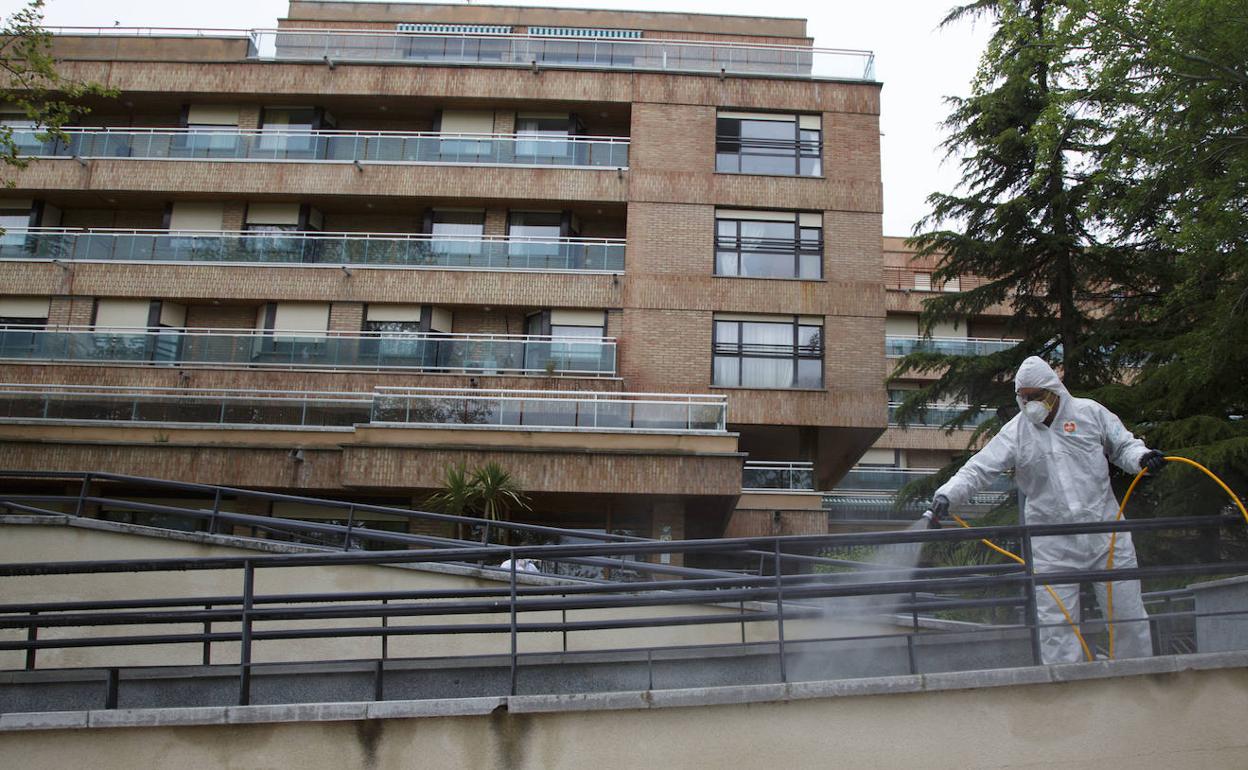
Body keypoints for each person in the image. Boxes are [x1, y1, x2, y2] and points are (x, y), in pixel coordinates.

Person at [928, 356, 1166, 664]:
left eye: (1036, 396)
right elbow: (978, 469)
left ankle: (1136, 678)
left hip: (1105, 532)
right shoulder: (1016, 431)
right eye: (1023, 397)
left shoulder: (1089, 413)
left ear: (1054, 391)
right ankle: (1065, 689)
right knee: (1056, 623)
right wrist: (948, 495)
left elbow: (1123, 446)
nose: (1030, 403)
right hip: (1052, 541)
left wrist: (1143, 458)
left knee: (1127, 614)